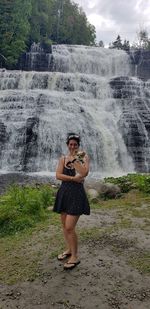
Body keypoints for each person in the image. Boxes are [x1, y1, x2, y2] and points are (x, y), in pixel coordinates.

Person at [53, 133, 90, 270]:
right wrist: (73, 179)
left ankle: (75, 256)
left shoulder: (83, 157)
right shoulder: (62, 158)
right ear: (67, 145)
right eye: (71, 144)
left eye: (75, 144)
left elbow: (84, 173)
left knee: (69, 227)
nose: (73, 146)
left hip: (76, 194)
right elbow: (58, 175)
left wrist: (75, 159)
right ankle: (69, 249)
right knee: (64, 226)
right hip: (64, 193)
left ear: (78, 146)